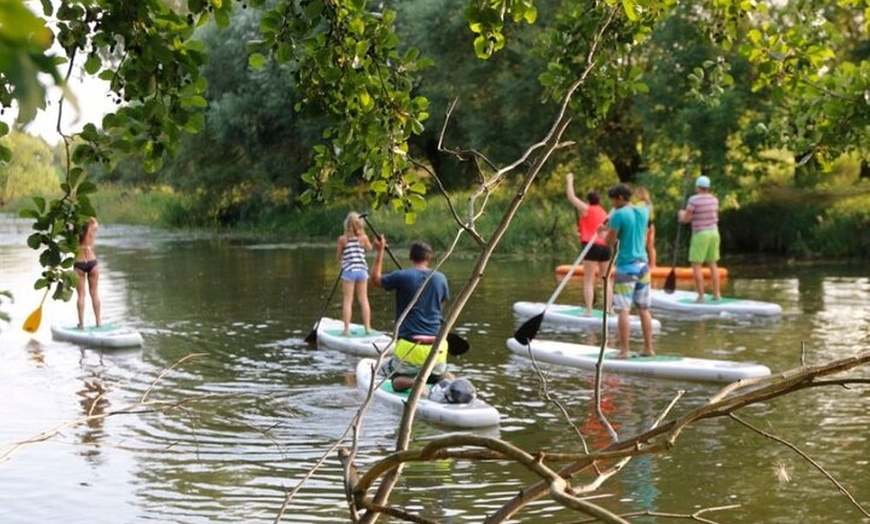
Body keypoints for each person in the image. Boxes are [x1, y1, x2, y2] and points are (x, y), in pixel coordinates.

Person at [371, 236, 453, 392]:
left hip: (409, 347)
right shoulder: (441, 278)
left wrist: (380, 251)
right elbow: (441, 304)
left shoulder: (402, 276)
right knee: (439, 374)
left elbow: (375, 280)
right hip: (438, 347)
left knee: (391, 378)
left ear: (411, 257)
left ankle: (413, 383)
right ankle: (446, 380)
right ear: (429, 258)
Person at [598, 184, 655, 358]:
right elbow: (645, 204)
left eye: (614, 200)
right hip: (643, 266)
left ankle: (624, 351)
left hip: (627, 267)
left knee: (623, 310)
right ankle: (648, 349)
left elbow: (609, 241)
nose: (613, 204)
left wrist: (601, 232)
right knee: (644, 309)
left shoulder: (619, 214)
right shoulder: (643, 211)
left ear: (621, 198)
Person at [565, 173, 612, 315]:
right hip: (606, 248)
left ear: (588, 200)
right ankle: (610, 309)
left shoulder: (587, 209)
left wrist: (569, 180)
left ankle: (589, 311)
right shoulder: (604, 213)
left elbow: (571, 197)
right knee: (606, 280)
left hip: (592, 247)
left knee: (588, 280)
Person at [678, 175, 721, 302]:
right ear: (708, 188)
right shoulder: (714, 199)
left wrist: (681, 215)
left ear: (697, 187)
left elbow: (687, 219)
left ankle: (701, 296)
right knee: (713, 264)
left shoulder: (693, 200)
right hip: (714, 232)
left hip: (700, 234)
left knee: (696, 265)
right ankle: (717, 294)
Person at [336, 212, 373, 335]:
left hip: (349, 272)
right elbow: (369, 248)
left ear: (347, 224)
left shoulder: (342, 239)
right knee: (364, 299)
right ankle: (367, 328)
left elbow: (338, 257)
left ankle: (346, 329)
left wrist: (343, 260)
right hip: (362, 271)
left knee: (348, 300)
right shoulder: (364, 238)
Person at [74, 217, 101, 328]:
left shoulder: (75, 232)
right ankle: (98, 322)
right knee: (94, 294)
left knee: (81, 296)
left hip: (79, 263)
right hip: (92, 262)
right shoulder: (92, 228)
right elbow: (95, 222)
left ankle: (81, 323)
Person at [634, 187, 657, 268]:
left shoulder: (639, 205)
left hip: (644, 225)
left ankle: (641, 263)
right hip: (652, 225)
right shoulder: (650, 204)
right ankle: (653, 264)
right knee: (651, 246)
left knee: (642, 244)